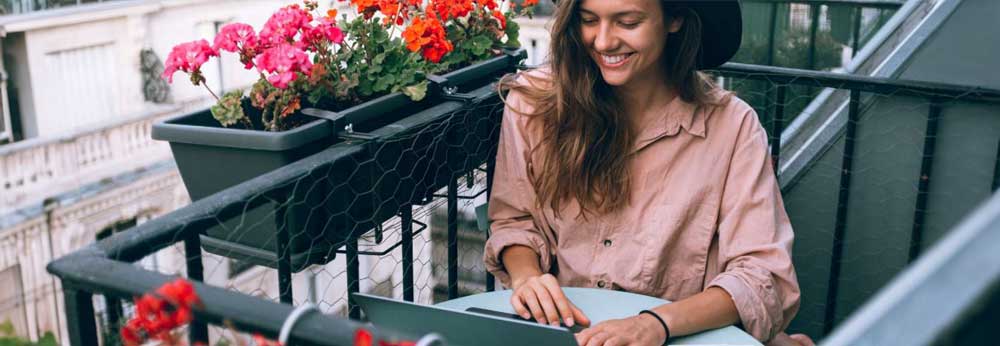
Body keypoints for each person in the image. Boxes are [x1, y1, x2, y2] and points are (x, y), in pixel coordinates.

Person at [483, 0, 813, 345]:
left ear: (674, 19)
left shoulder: (732, 127)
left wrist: (655, 324)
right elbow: (515, 219)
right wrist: (527, 277)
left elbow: (763, 275)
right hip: (566, 332)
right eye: (588, 20)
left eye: (627, 22)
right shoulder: (533, 104)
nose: (603, 41)